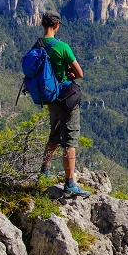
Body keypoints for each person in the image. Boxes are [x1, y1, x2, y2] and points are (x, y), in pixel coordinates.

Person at [38, 10, 91, 196]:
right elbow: (80, 73)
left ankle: (44, 171)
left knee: (54, 134)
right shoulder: (62, 47)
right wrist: (69, 73)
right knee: (70, 140)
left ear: (43, 24)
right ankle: (70, 184)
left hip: (50, 98)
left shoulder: (37, 45)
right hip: (65, 98)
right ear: (57, 25)